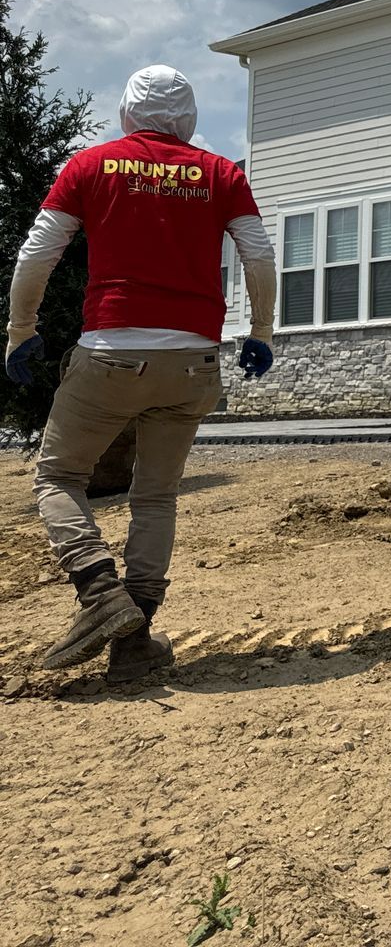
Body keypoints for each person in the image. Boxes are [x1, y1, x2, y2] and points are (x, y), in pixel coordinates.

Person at [5, 66, 277, 681]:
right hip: (193, 360)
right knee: (155, 494)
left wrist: (21, 330)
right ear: (190, 120)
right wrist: (260, 331)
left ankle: (102, 596)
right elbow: (257, 255)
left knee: (57, 478)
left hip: (110, 352)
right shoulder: (220, 174)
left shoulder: (90, 167)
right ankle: (136, 640)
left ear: (127, 113)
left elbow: (35, 254)